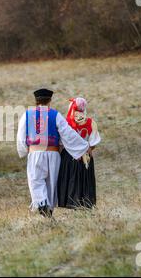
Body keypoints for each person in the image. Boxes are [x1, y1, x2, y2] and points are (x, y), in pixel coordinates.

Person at [17, 89, 89, 217]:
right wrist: (83, 147)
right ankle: (47, 211)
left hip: (35, 153)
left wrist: (24, 149)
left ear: (36, 101)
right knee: (51, 184)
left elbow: (21, 136)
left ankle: (42, 206)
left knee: (36, 181)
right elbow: (67, 133)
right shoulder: (55, 115)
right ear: (50, 100)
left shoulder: (27, 114)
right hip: (53, 154)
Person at [57, 97, 101, 209]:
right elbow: (93, 142)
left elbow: (61, 143)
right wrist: (86, 152)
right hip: (86, 156)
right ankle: (86, 203)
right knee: (85, 180)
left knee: (71, 179)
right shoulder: (91, 123)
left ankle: (70, 202)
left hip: (69, 157)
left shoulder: (65, 123)